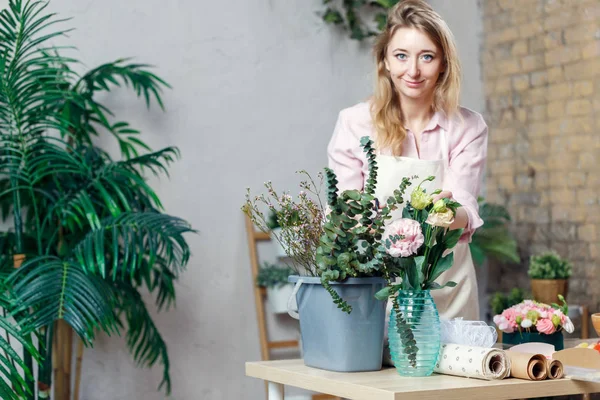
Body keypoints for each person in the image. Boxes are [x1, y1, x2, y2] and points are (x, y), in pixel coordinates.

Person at [326, 0, 488, 322]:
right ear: (384, 61)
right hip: (377, 293)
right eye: (401, 56)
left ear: (443, 64)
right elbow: (343, 212)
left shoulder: (468, 128)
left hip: (449, 294)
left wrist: (445, 214)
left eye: (426, 57)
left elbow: (465, 209)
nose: (412, 71)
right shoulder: (354, 124)